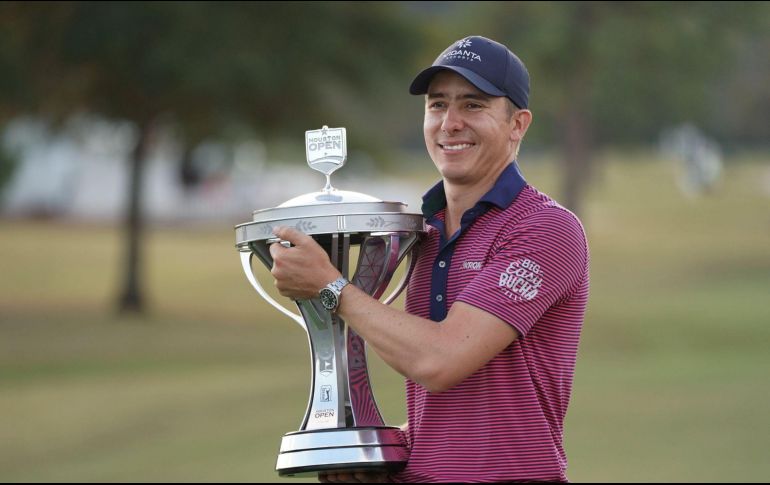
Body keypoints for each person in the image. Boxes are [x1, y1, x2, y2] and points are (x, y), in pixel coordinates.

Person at [269, 36, 589, 483]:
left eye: (473, 105)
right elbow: (451, 401)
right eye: (437, 105)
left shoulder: (545, 229)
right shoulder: (423, 231)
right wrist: (385, 450)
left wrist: (331, 287)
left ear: (518, 124)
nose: (450, 123)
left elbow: (440, 361)